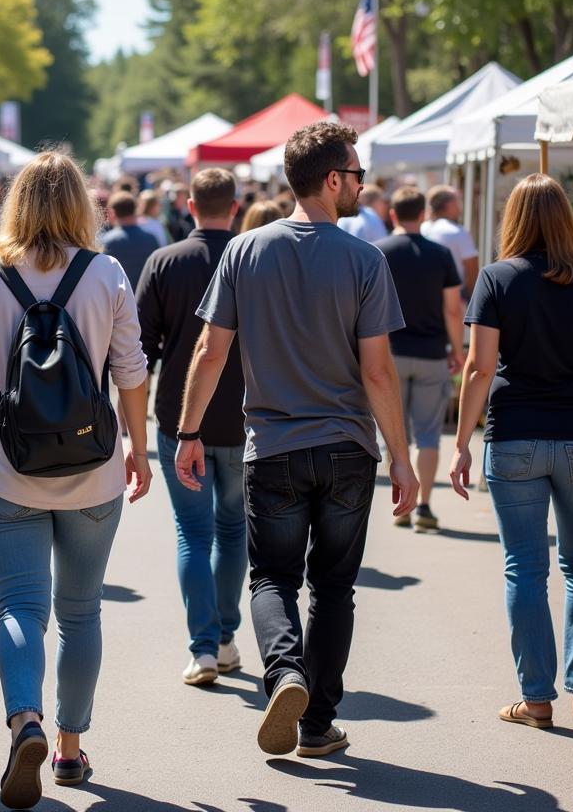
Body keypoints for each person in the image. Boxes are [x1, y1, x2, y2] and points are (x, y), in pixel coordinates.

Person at [175, 121, 418, 760]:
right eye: (358, 174)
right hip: (345, 447)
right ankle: (317, 724)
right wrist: (401, 456)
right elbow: (377, 370)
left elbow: (211, 350)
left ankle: (285, 674)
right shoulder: (365, 258)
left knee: (272, 580)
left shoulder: (244, 251)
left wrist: (188, 430)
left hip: (273, 446)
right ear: (332, 180)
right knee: (333, 587)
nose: (362, 184)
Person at [0, 150, 151, 809]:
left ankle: (23, 720)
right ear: (79, 205)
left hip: (8, 469)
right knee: (81, 611)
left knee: (19, 609)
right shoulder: (107, 274)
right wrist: (140, 451)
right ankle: (68, 748)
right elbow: (131, 371)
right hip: (93, 473)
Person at [450, 173, 573, 730]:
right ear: (566, 218)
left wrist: (461, 444)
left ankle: (537, 698)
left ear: (513, 219)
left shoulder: (497, 280)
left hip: (515, 434)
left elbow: (479, 367)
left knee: (525, 568)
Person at [136, 168, 247, 687]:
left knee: (193, 534)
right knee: (232, 529)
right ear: (237, 205)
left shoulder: (165, 262)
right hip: (246, 415)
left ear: (188, 204)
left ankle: (203, 647)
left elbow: (141, 347)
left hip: (182, 418)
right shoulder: (253, 258)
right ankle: (225, 638)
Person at [377, 187, 464, 532]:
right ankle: (424, 505)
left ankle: (402, 505)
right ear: (423, 215)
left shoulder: (378, 252)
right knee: (428, 434)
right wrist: (457, 351)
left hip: (389, 355)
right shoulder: (440, 254)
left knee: (396, 434)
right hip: (430, 353)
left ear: (393, 215)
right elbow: (453, 309)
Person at [423, 185, 479, 299]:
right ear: (449, 205)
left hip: (427, 294)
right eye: (458, 200)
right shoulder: (458, 232)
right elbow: (472, 270)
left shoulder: (422, 229)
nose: (461, 204)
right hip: (456, 296)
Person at [99, 190, 159, 290]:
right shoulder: (151, 239)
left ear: (112, 213)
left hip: (117, 301)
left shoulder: (105, 242)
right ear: (136, 211)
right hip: (145, 300)